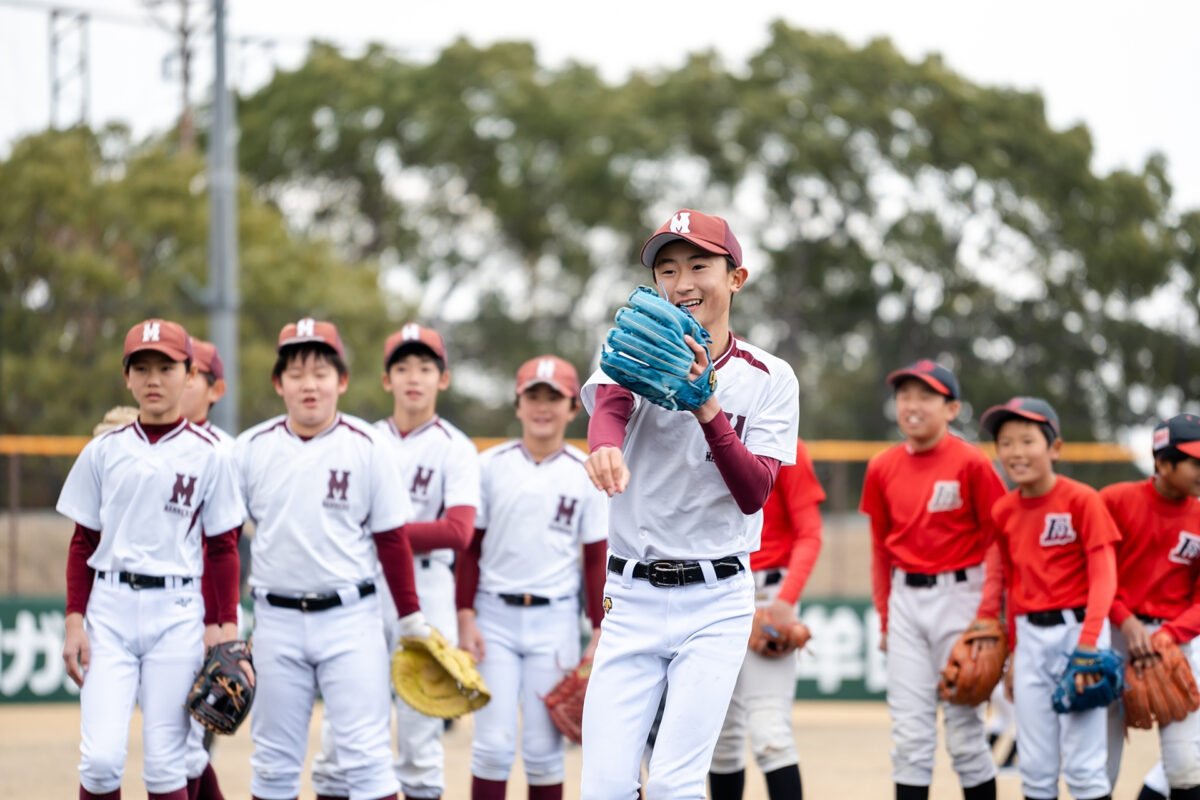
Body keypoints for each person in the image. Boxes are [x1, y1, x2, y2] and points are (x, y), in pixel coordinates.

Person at [580, 208, 800, 799]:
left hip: (716, 599)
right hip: (631, 594)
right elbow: (609, 406)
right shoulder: (636, 347)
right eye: (668, 269)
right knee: (604, 787)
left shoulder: (770, 377)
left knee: (675, 785)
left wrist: (707, 407)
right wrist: (604, 447)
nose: (682, 283)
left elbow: (753, 493)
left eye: (699, 265)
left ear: (736, 278)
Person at [235, 317, 429, 800]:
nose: (309, 385)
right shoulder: (250, 448)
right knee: (273, 765)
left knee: (367, 759)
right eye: (296, 373)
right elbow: (223, 542)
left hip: (351, 619)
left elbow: (392, 540)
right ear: (278, 383)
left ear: (341, 381)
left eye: (321, 372)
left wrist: (410, 620)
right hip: (275, 619)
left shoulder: (368, 445)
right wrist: (221, 618)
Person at [57, 319, 245, 800]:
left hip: (177, 611)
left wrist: (224, 626)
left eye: (166, 367)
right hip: (110, 608)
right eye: (141, 368)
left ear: (189, 373)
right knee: (100, 761)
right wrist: (74, 620)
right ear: (126, 377)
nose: (153, 379)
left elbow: (223, 548)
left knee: (167, 765)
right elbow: (82, 543)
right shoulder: (103, 450)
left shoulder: (211, 454)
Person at [311, 323, 480, 800]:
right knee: (341, 737)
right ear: (386, 379)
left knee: (420, 743)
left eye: (425, 367)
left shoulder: (455, 446)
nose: (414, 377)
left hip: (428, 589)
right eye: (402, 367)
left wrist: (377, 534)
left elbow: (458, 532)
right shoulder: (360, 439)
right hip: (364, 586)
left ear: (442, 378)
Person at [456, 355, 608, 800]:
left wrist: (599, 629)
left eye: (554, 397)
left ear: (573, 407)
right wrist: (464, 616)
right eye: (533, 396)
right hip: (493, 617)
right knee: (492, 748)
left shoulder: (585, 470)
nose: (543, 406)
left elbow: (594, 559)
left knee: (544, 753)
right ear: (518, 404)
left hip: (555, 619)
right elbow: (470, 548)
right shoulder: (490, 465)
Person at [859, 359, 1006, 800]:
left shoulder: (972, 462)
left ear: (951, 408)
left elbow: (997, 542)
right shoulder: (881, 467)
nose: (912, 405)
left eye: (926, 396)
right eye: (904, 395)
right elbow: (880, 550)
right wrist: (887, 619)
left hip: (962, 597)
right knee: (909, 738)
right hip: (906, 600)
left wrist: (987, 615)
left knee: (965, 735)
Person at [981, 396, 1120, 800]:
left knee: (1083, 768)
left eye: (1028, 441)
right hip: (1029, 638)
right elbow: (1012, 587)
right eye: (1006, 442)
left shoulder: (1082, 499)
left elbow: (1104, 577)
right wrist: (1013, 655)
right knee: (1036, 769)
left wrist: (1089, 644)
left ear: (1055, 448)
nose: (1016, 452)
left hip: (1078, 632)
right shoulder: (1003, 511)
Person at [709, 438, 825, 799]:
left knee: (769, 732)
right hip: (711, 590)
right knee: (719, 739)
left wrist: (786, 600)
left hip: (769, 594)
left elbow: (810, 534)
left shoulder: (785, 443)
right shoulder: (699, 432)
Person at [1101, 414, 1200, 799]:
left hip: (1173, 642)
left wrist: (1169, 635)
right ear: (1162, 462)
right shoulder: (1115, 500)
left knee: (1186, 764)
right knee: (1099, 766)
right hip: (1113, 634)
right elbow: (1096, 575)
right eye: (1193, 461)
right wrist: (1125, 621)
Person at [179, 337, 237, 800]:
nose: (180, 380)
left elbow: (233, 546)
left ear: (215, 389)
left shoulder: (230, 452)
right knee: (180, 745)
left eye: (192, 373)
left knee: (190, 744)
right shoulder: (136, 444)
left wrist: (219, 621)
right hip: (154, 608)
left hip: (207, 612)